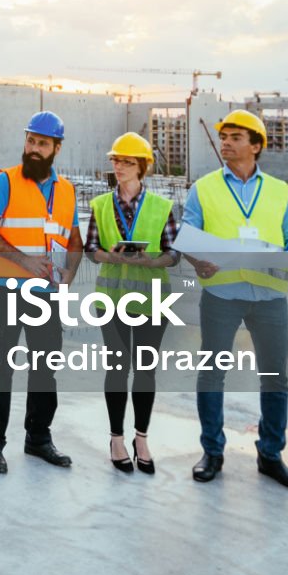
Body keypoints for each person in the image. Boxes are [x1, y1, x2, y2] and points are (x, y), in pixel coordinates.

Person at [179, 110, 288, 492]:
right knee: (212, 375)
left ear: (256, 145)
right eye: (223, 136)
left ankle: (271, 455)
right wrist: (199, 261)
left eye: (235, 137)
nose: (225, 142)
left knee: (276, 377)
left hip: (270, 297)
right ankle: (212, 452)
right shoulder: (204, 188)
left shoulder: (278, 191)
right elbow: (187, 235)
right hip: (221, 295)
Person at [0, 111, 83, 473]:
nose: (33, 149)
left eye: (42, 143)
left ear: (56, 148)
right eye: (30, 141)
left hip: (46, 295)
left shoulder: (66, 191)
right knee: (0, 368)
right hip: (7, 291)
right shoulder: (5, 181)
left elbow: (75, 241)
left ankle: (38, 439)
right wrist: (23, 261)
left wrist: (68, 275)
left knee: (44, 368)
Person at [83, 132, 180, 474]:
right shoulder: (99, 205)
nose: (119, 167)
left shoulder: (162, 207)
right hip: (111, 300)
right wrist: (111, 255)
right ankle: (116, 438)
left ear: (142, 167)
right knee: (117, 369)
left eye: (126, 162)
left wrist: (151, 262)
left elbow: (173, 254)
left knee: (145, 371)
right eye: (116, 161)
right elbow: (91, 250)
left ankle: (141, 437)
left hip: (152, 302)